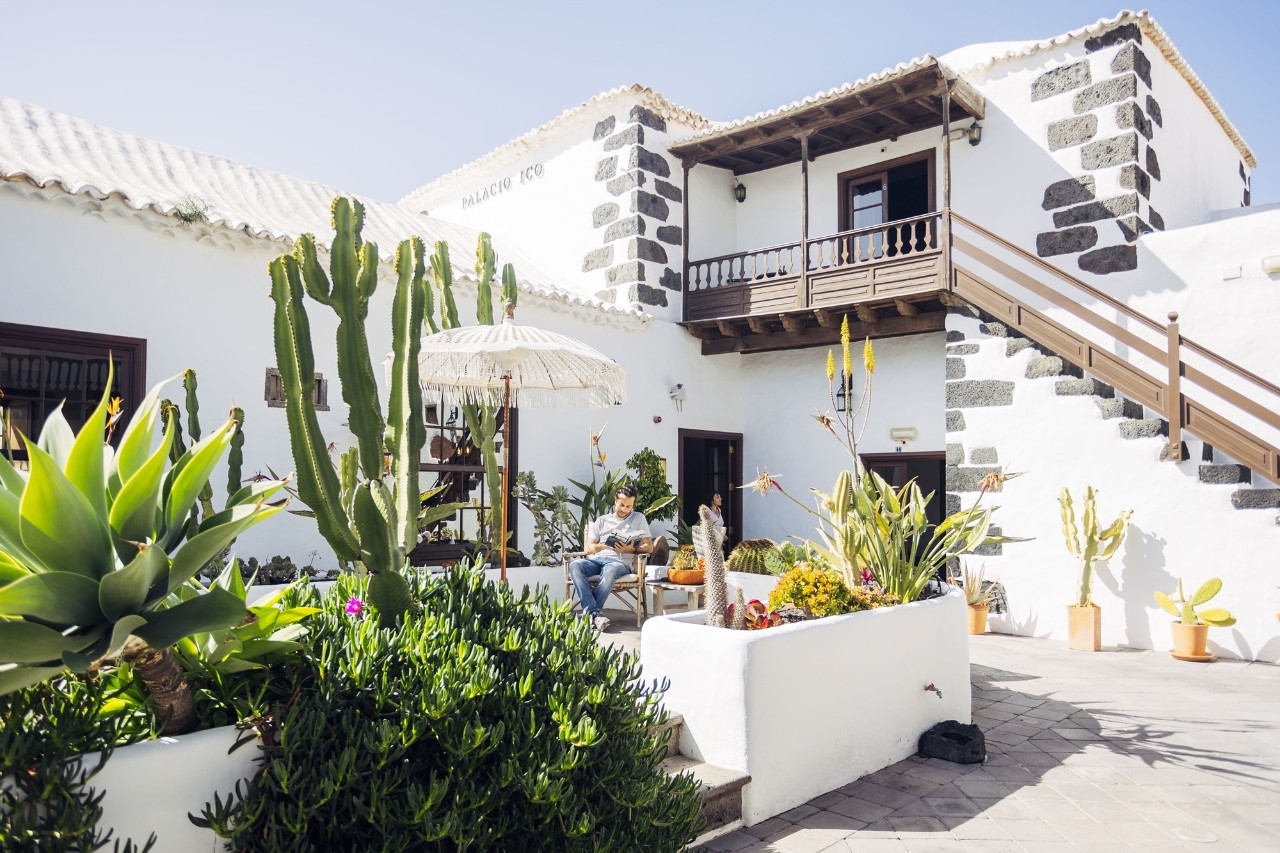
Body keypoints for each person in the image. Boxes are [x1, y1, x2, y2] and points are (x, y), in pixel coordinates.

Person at [569, 485, 652, 632]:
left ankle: (590, 614)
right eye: (621, 505)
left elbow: (649, 547)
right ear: (615, 500)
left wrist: (631, 549)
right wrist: (602, 546)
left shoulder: (638, 518)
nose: (625, 509)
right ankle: (595, 615)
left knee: (610, 569)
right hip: (597, 560)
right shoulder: (601, 520)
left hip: (619, 563)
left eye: (629, 506)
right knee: (575, 565)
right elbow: (588, 548)